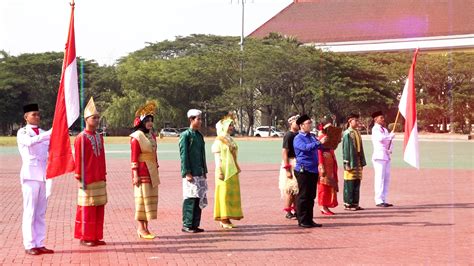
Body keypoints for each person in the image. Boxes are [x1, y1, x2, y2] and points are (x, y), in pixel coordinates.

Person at [17, 103, 54, 255]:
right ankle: (29, 244)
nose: (37, 117)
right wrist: (52, 132)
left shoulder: (45, 132)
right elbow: (30, 142)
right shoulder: (22, 132)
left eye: (38, 114)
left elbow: (51, 150)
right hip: (30, 176)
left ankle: (39, 242)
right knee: (30, 211)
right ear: (26, 117)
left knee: (40, 212)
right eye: (34, 114)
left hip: (43, 176)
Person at [74, 97, 107, 247]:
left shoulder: (99, 137)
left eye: (98, 117)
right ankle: (85, 237)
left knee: (99, 207)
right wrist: (79, 176)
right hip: (87, 178)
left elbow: (103, 157)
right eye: (94, 118)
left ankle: (95, 236)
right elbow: (79, 159)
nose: (97, 120)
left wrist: (104, 173)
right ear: (87, 119)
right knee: (87, 208)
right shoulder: (81, 138)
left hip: (99, 177)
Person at [130, 102, 160, 239]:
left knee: (149, 200)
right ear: (141, 122)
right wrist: (135, 174)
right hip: (141, 172)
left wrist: (157, 167)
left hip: (151, 171)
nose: (149, 123)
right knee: (141, 200)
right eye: (147, 120)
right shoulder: (137, 137)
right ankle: (141, 228)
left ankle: (147, 227)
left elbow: (155, 154)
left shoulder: (152, 136)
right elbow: (134, 157)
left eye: (151, 121)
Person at [293, 114, 327, 228]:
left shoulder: (311, 136)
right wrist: (319, 143)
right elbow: (306, 148)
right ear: (301, 125)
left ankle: (309, 219)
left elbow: (320, 147)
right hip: (303, 170)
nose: (310, 125)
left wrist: (329, 141)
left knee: (311, 196)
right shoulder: (298, 138)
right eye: (308, 123)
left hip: (313, 170)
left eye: (310, 123)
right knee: (303, 196)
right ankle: (302, 220)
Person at [211, 115, 244, 229]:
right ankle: (223, 219)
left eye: (232, 125)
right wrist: (219, 170)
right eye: (229, 125)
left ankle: (228, 217)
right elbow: (217, 156)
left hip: (232, 170)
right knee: (223, 194)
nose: (231, 127)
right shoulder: (219, 140)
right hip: (223, 170)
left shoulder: (230, 139)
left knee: (231, 194)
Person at [179, 109, 208, 233]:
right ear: (191, 119)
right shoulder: (186, 135)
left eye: (201, 119)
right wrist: (187, 172)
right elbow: (183, 155)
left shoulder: (199, 136)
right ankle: (187, 224)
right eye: (198, 119)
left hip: (199, 172)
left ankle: (195, 224)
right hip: (191, 173)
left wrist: (204, 170)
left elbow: (202, 154)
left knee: (198, 198)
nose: (200, 121)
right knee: (190, 198)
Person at [342, 113, 367, 211]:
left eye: (357, 120)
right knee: (349, 182)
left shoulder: (357, 132)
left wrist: (362, 160)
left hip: (357, 160)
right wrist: (346, 162)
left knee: (357, 182)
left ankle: (355, 203)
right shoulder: (347, 133)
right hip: (351, 161)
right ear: (350, 121)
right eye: (355, 120)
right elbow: (345, 149)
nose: (357, 122)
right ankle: (348, 203)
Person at [371, 111, 395, 207]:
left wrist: (390, 149)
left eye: (383, 117)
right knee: (379, 178)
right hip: (379, 156)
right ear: (375, 119)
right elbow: (381, 139)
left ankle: (384, 198)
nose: (383, 119)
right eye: (381, 118)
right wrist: (390, 136)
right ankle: (378, 200)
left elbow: (389, 142)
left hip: (386, 155)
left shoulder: (384, 130)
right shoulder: (375, 129)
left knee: (386, 178)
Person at [317, 117, 339, 215]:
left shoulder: (328, 137)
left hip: (330, 162)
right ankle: (323, 206)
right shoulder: (322, 137)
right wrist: (321, 165)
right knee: (323, 185)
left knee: (329, 185)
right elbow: (318, 152)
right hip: (324, 162)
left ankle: (326, 205)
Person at [279, 115, 300, 219]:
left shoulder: (299, 135)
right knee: (290, 188)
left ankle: (296, 209)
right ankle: (288, 211)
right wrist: (287, 169)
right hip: (291, 162)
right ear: (291, 123)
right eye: (296, 122)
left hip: (298, 162)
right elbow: (284, 152)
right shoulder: (288, 135)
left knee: (297, 189)